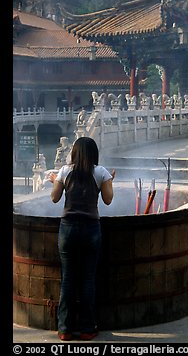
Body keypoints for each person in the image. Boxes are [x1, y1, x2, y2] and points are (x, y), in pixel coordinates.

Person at [50, 137, 115, 341]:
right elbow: (108, 199)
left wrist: (55, 181)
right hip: (90, 229)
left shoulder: (64, 171)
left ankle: (65, 329)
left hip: (67, 228)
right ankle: (87, 328)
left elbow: (54, 198)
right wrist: (109, 181)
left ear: (74, 153)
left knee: (68, 279)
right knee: (88, 279)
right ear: (94, 153)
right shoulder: (101, 172)